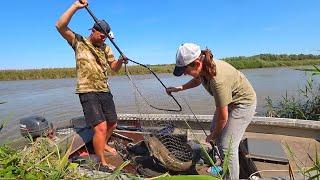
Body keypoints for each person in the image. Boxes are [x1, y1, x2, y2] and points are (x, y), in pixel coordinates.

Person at [166, 43, 256, 179]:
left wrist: (212, 136)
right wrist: (179, 88)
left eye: (185, 69)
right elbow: (197, 81)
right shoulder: (203, 67)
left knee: (227, 146)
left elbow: (223, 118)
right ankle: (222, 165)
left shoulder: (217, 80)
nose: (184, 73)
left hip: (243, 104)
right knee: (216, 130)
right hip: (230, 101)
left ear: (196, 63)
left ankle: (231, 177)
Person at [55, 0, 127, 171]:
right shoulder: (78, 41)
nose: (103, 38)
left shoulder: (106, 48)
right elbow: (60, 26)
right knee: (100, 127)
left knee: (112, 124)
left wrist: (120, 61)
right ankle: (101, 160)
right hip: (88, 91)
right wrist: (75, 6)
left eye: (105, 36)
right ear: (93, 31)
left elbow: (114, 69)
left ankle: (104, 144)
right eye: (101, 35)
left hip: (104, 89)